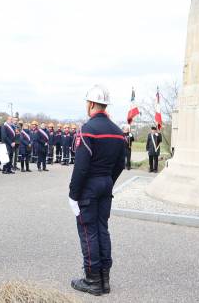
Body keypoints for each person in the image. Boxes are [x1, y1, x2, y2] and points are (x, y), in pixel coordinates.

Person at [68, 84, 125, 296]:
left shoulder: (87, 130)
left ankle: (92, 280)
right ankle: (104, 279)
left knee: (88, 231)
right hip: (105, 183)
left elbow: (81, 167)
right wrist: (108, 180)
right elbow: (121, 163)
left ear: (91, 104)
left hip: (90, 186)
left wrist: (74, 194)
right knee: (102, 229)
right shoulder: (118, 132)